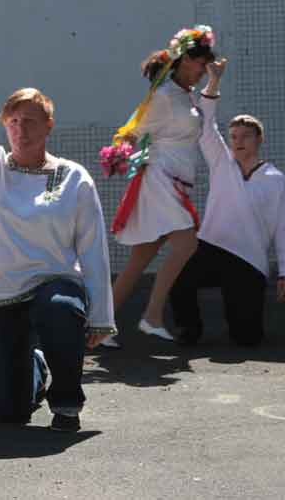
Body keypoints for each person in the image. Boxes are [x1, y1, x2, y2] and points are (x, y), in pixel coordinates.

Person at [0, 48, 116, 432]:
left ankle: (67, 402)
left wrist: (102, 316)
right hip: (0, 294)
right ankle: (35, 367)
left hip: (55, 283)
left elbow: (92, 249)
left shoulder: (72, 177)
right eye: (14, 121)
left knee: (58, 308)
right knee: (7, 410)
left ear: (49, 126)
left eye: (32, 121)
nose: (22, 129)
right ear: (4, 125)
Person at [169, 59, 285, 346]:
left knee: (246, 338)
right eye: (234, 137)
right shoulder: (221, 162)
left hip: (249, 261)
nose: (238, 141)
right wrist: (214, 81)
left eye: (246, 136)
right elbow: (206, 123)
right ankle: (189, 332)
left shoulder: (275, 179)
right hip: (212, 247)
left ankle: (243, 324)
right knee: (176, 277)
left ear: (259, 139)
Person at [106, 26, 217, 346]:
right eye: (199, 63)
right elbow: (134, 128)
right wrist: (119, 151)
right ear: (183, 60)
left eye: (205, 63)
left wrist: (214, 82)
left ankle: (97, 328)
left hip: (175, 180)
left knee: (141, 257)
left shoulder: (185, 94)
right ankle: (152, 316)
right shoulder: (165, 95)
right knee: (187, 243)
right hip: (160, 179)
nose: (202, 68)